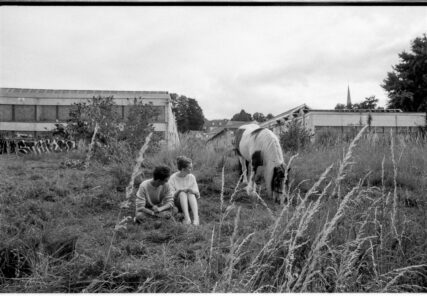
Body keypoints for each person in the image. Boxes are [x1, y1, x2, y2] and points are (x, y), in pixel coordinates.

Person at [169, 156, 201, 225]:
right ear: (183, 169)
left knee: (190, 193)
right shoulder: (173, 178)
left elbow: (198, 195)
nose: (191, 169)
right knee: (182, 193)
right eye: (189, 168)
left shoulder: (191, 177)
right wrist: (179, 191)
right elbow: (170, 196)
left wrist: (192, 191)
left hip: (190, 203)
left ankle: (196, 219)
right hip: (178, 204)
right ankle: (187, 218)